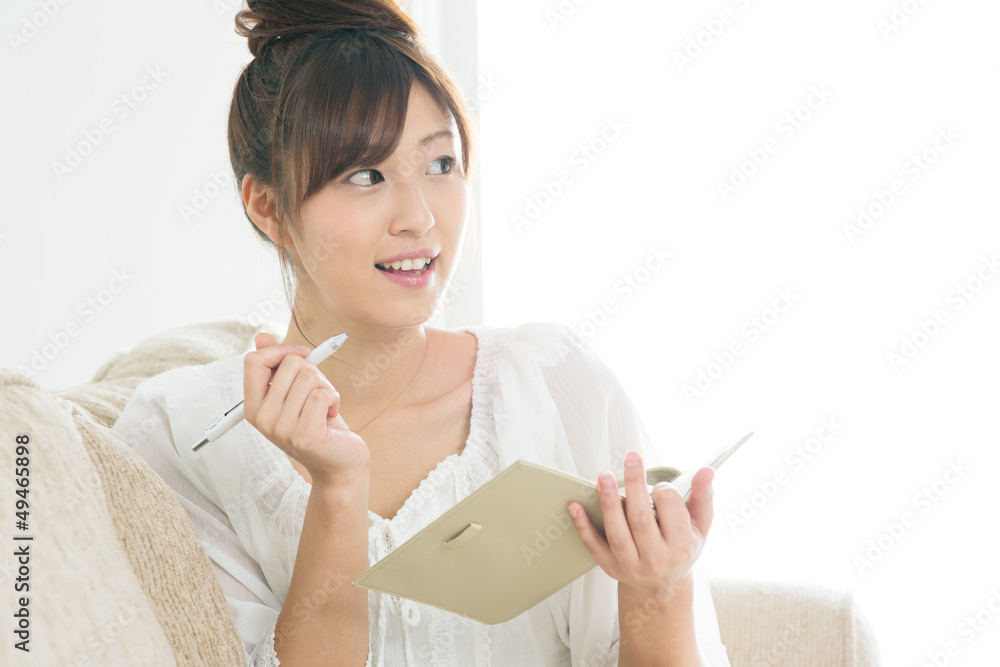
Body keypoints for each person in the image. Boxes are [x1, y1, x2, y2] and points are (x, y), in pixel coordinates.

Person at [112, 1, 731, 665]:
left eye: (440, 165)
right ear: (269, 208)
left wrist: (660, 590)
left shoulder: (549, 385)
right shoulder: (180, 435)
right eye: (366, 175)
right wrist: (337, 491)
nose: (419, 218)